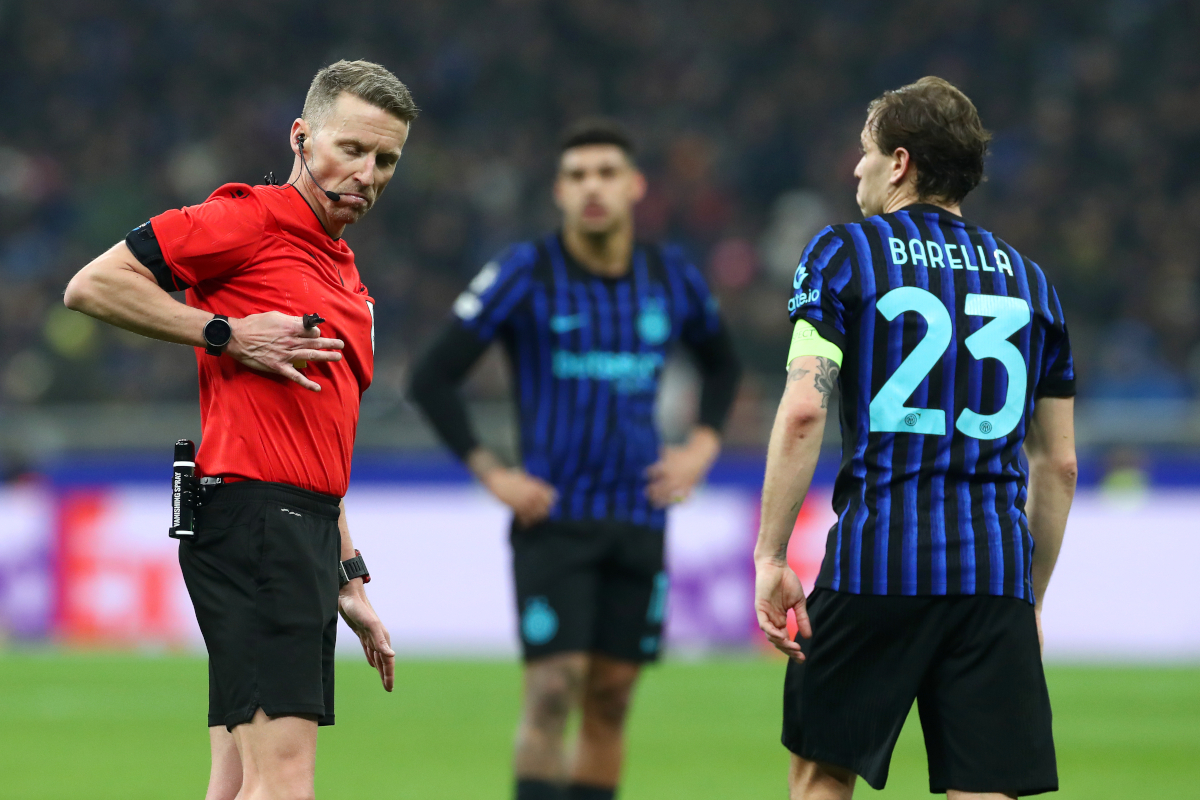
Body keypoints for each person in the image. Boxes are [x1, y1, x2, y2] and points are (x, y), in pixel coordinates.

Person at [62, 60, 417, 800]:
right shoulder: (248, 219)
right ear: (301, 138)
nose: (367, 173)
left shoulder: (346, 278)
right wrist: (224, 332)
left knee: (235, 785)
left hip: (301, 527)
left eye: (385, 159)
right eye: (351, 149)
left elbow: (320, 439)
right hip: (257, 520)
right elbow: (92, 284)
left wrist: (346, 574)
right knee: (284, 783)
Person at [753, 76, 1078, 800]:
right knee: (984, 789)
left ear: (900, 162)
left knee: (820, 773)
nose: (855, 168)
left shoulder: (843, 254)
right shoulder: (1033, 284)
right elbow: (1057, 464)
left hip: (877, 557)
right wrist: (1027, 600)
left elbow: (805, 409)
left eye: (864, 151)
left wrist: (772, 554)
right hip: (991, 573)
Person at [408, 120, 741, 800]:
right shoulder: (525, 272)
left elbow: (724, 363)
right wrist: (493, 472)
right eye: (579, 175)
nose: (594, 187)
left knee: (612, 697)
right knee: (554, 688)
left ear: (634, 186)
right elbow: (432, 376)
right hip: (553, 517)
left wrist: (701, 447)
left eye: (607, 172)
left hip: (638, 514)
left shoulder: (668, 274)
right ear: (560, 191)